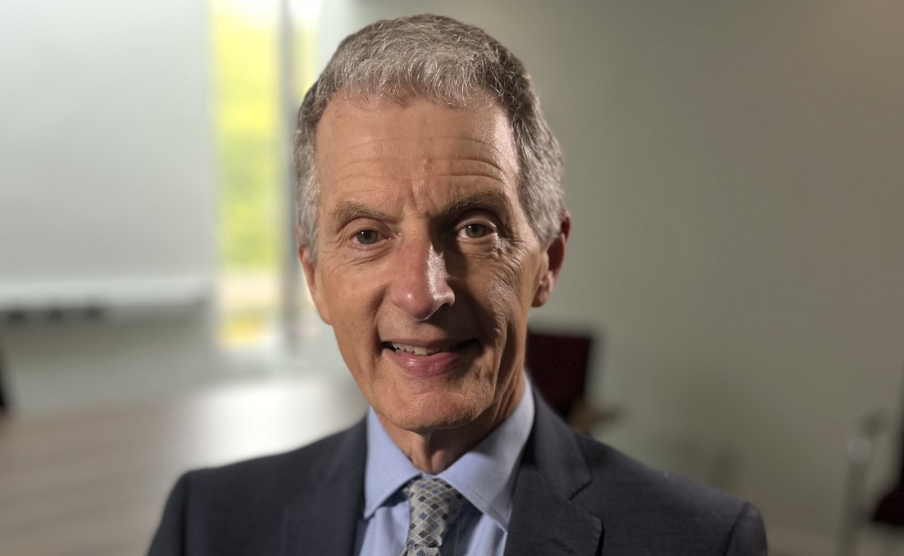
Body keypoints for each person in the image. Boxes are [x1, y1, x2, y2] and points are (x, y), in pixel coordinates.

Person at [148, 14, 767, 555]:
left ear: (548, 258)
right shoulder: (206, 523)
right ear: (314, 278)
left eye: (474, 228)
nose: (422, 294)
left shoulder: (704, 541)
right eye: (367, 235)